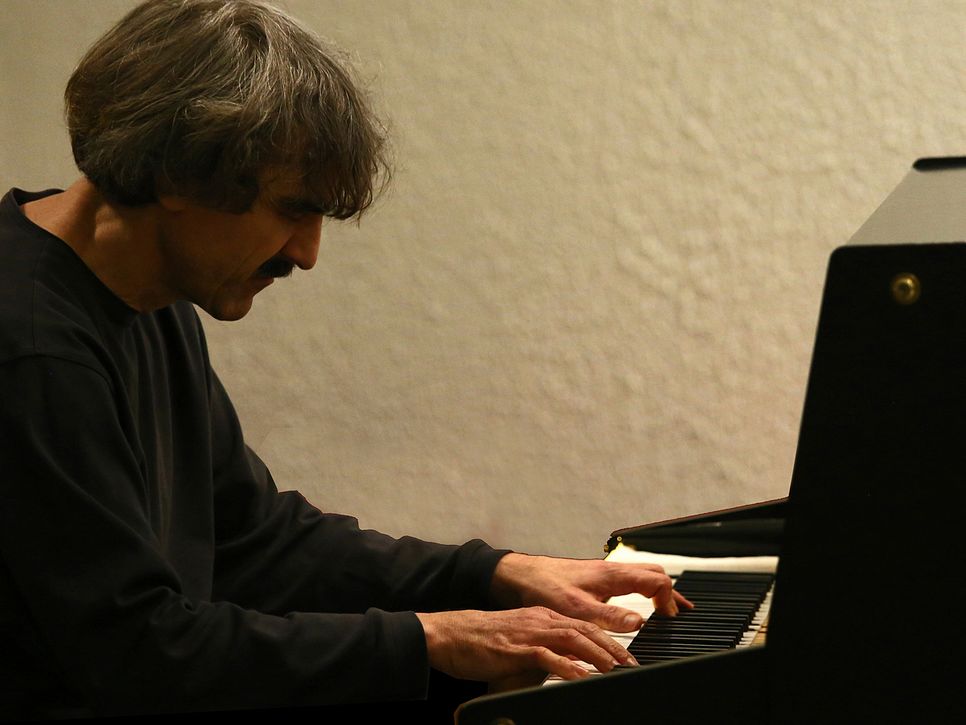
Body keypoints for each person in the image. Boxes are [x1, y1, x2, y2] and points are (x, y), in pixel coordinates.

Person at [0, 0, 690, 719]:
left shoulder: (141, 291)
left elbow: (254, 542)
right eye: (292, 210)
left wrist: (491, 574)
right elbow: (138, 651)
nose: (306, 254)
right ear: (179, 173)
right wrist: (430, 637)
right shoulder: (32, 349)